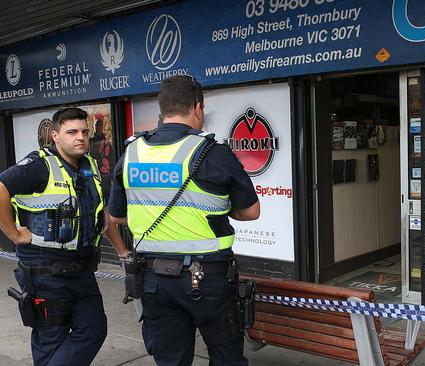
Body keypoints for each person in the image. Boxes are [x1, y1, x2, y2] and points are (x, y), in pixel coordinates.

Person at [107, 75, 260, 365]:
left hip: (153, 279)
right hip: (208, 278)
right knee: (227, 358)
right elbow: (251, 211)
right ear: (197, 108)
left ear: (162, 110)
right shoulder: (212, 152)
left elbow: (116, 216)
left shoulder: (132, 152)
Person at [0, 107, 129, 366]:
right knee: (51, 339)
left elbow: (100, 214)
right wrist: (13, 233)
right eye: (72, 132)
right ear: (56, 136)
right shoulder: (38, 165)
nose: (80, 137)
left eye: (84, 131)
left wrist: (122, 251)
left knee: (94, 329)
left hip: (81, 270)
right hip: (45, 271)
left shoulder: (90, 166)